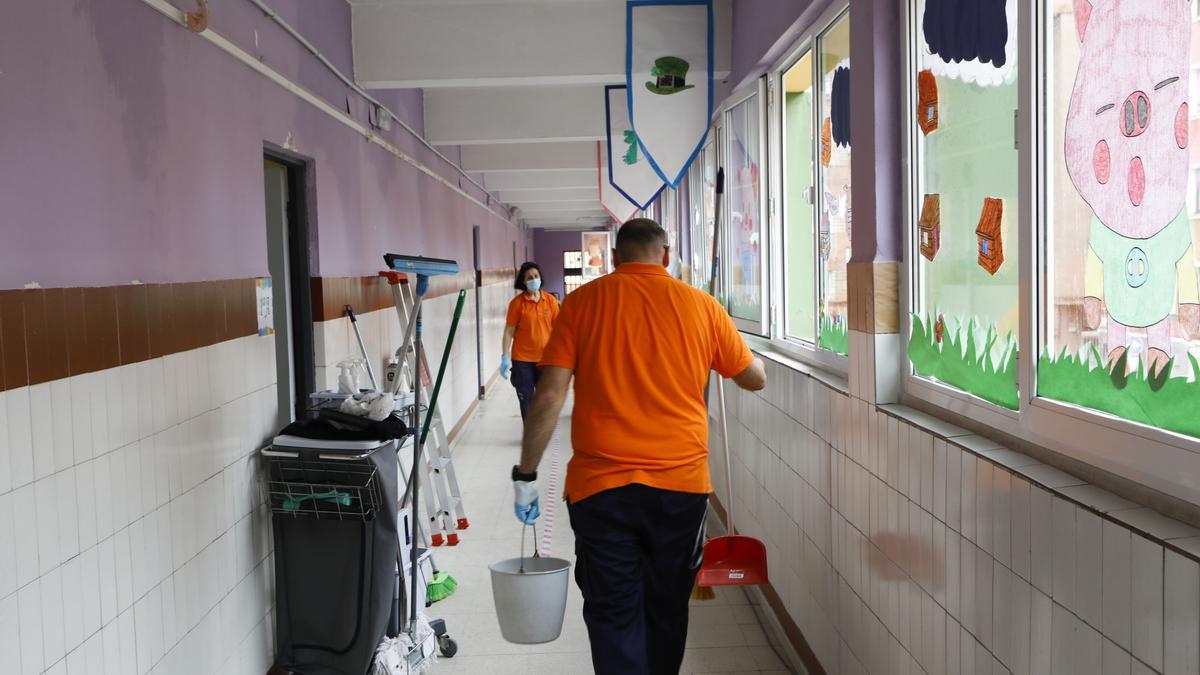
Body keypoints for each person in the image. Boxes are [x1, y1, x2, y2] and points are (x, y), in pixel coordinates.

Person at [509, 219, 767, 675]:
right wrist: (746, 351)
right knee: (667, 605)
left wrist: (526, 474)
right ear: (666, 256)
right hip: (682, 487)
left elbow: (549, 395)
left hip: (600, 489)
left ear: (614, 258)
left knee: (613, 607)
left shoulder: (582, 303)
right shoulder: (702, 306)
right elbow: (753, 378)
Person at [501, 262, 560, 420]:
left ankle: (540, 430)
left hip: (545, 359)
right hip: (522, 361)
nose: (534, 279)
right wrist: (504, 356)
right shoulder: (517, 304)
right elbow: (509, 331)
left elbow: (559, 330)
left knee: (545, 399)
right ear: (523, 281)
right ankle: (530, 433)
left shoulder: (550, 301)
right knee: (526, 399)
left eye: (536, 276)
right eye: (529, 277)